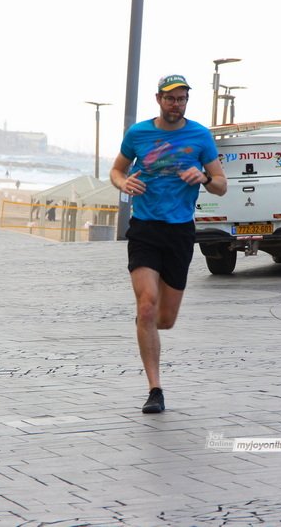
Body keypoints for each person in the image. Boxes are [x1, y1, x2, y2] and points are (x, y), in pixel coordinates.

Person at [108, 74, 227, 413]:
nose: (176, 104)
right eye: (170, 98)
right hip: (145, 228)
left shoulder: (200, 136)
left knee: (165, 319)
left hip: (180, 232)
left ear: (186, 101)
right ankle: (155, 389)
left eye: (182, 99)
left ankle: (146, 326)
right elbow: (116, 170)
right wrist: (123, 183)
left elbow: (221, 185)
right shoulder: (138, 134)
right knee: (146, 305)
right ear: (158, 99)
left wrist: (204, 177)